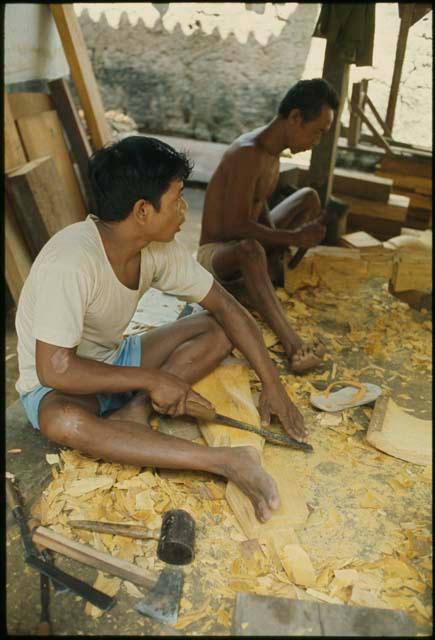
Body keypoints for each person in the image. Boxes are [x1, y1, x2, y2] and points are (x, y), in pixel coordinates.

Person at [15, 136, 308, 524]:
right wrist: (154, 379)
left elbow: (226, 306)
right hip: (59, 385)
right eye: (177, 200)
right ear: (141, 211)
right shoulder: (70, 262)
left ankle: (135, 411)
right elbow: (56, 369)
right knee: (63, 422)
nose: (184, 210)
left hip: (113, 359)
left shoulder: (155, 248)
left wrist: (274, 385)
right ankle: (225, 461)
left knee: (218, 327)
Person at [198, 78, 339, 373]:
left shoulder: (272, 154)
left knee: (309, 198)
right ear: (296, 117)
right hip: (214, 256)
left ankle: (261, 278)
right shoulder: (248, 153)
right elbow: (233, 226)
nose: (316, 142)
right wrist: (293, 236)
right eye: (317, 133)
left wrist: (282, 241)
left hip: (242, 244)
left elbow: (259, 205)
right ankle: (293, 347)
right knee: (251, 250)